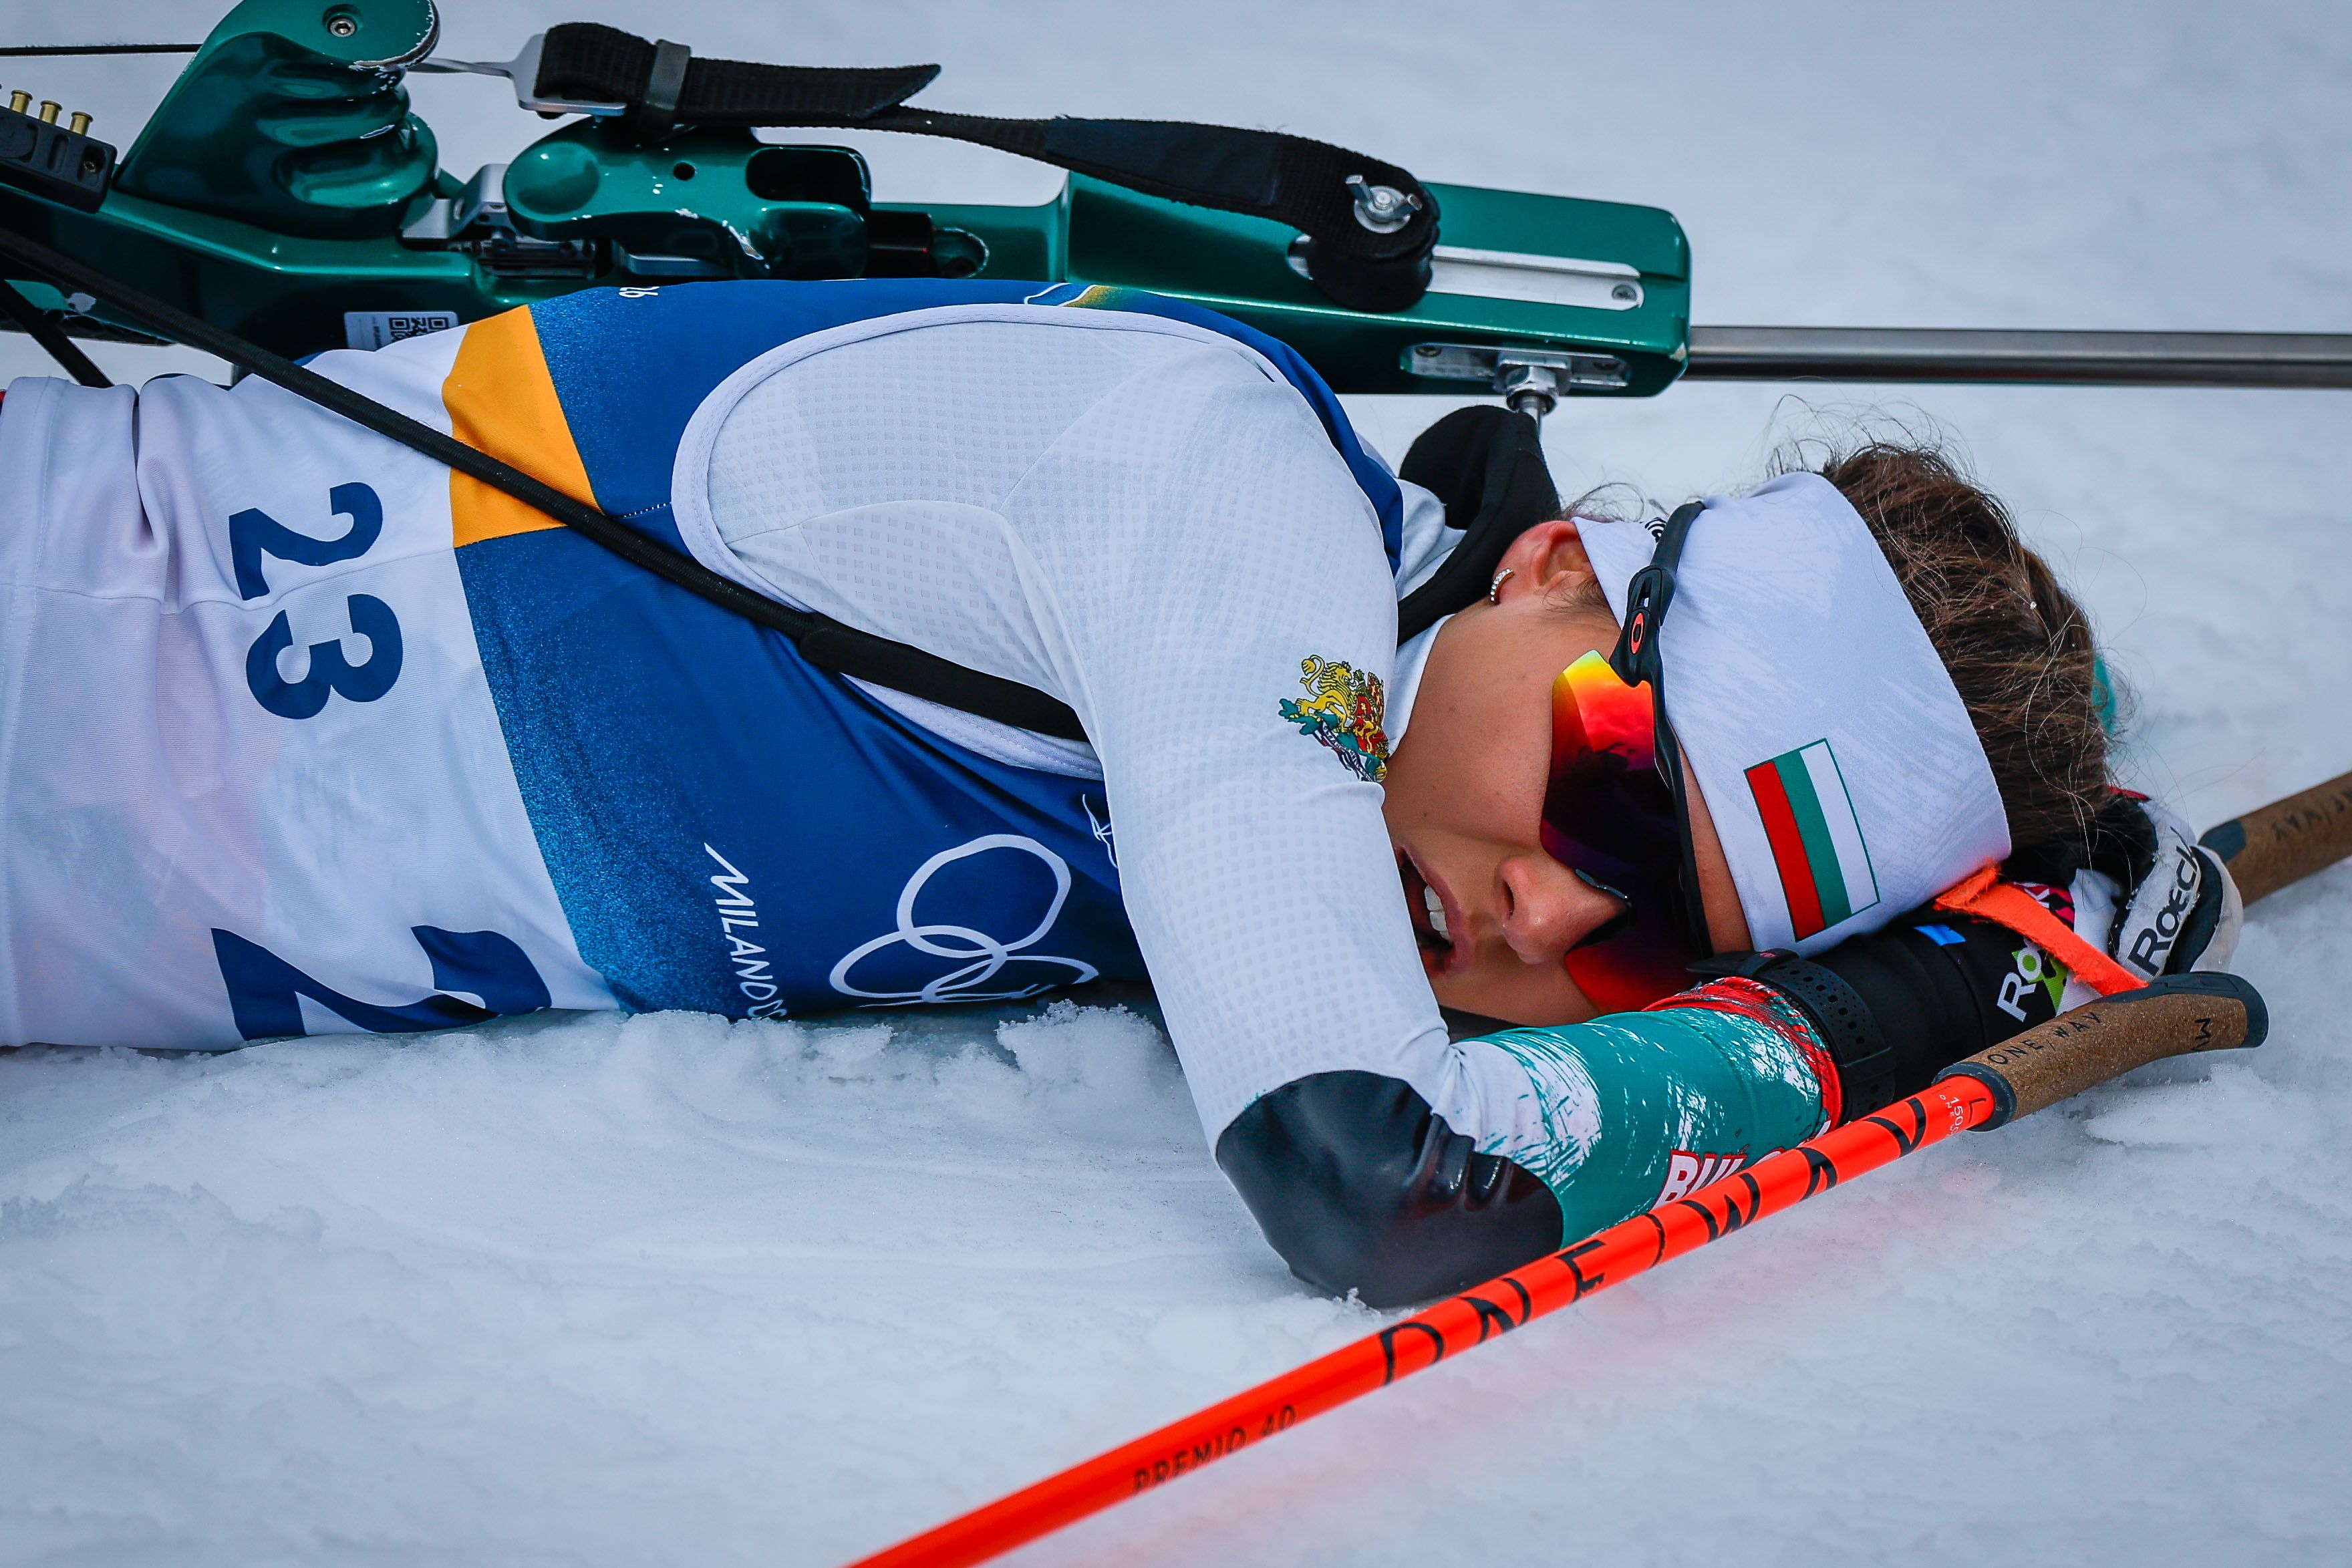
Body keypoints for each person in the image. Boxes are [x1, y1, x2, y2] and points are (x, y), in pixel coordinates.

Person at [0, 278, 2237, 1304]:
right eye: (1618, 805)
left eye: (1662, 931)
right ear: (1555, 564)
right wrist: (1934, 1000)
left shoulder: (1328, 769)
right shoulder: (1225, 506)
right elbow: (1383, 1182)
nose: (1555, 919)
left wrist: (2012, 867)